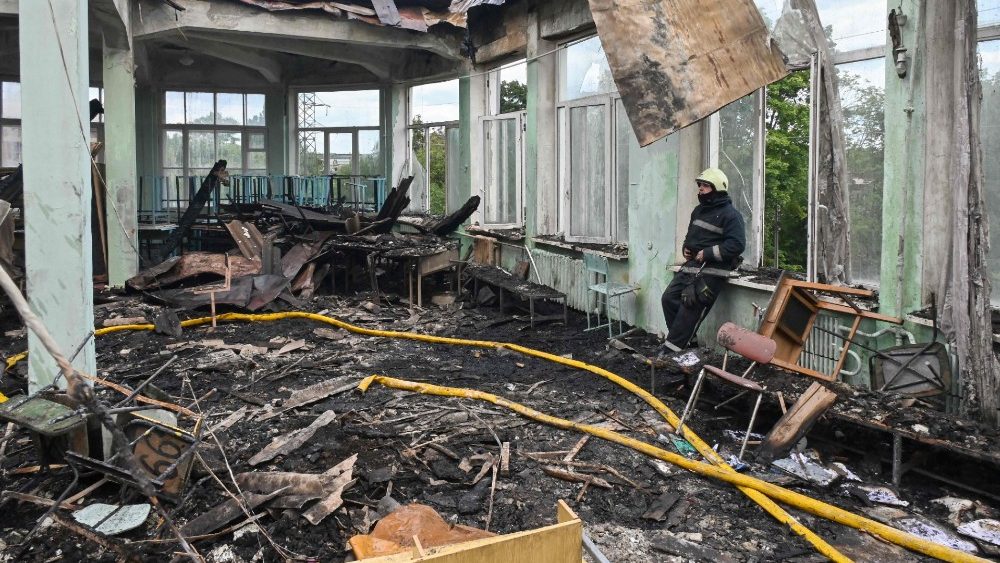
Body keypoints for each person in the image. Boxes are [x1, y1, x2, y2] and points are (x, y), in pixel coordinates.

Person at [661, 168, 746, 350]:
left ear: (717, 189)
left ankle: (672, 350)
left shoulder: (731, 215)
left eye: (705, 186)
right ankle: (688, 344)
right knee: (668, 298)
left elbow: (737, 245)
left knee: (689, 306)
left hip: (713, 271)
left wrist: (707, 253)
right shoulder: (698, 211)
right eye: (700, 185)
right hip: (692, 267)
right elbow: (691, 235)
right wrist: (686, 248)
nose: (700, 189)